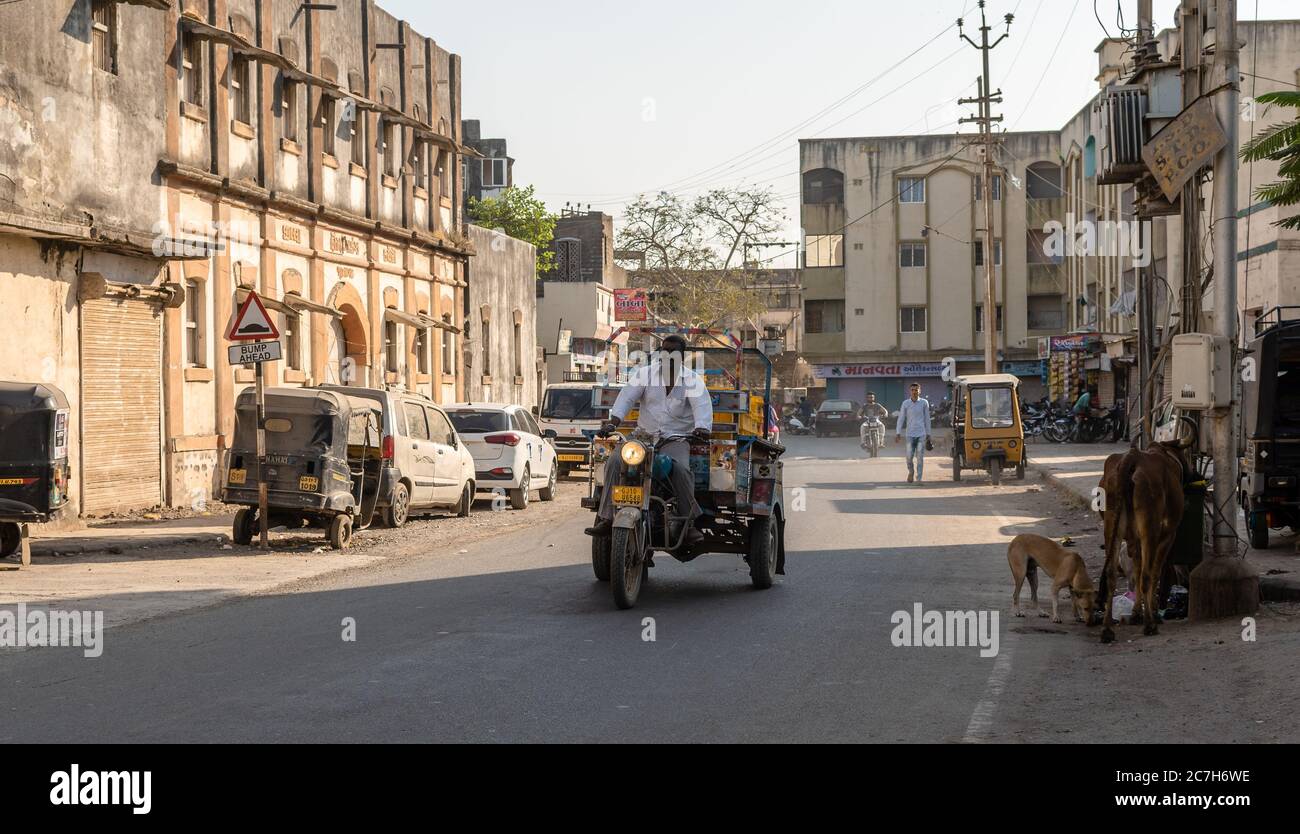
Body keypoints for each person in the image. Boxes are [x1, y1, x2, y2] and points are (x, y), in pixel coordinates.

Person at [584, 334, 711, 546]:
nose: (667, 355)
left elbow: (702, 406)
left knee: (682, 470)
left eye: (673, 352)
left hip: (675, 439)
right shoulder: (645, 374)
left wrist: (702, 428)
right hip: (643, 437)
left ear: (682, 356)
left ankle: (688, 525)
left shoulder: (692, 380)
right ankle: (606, 518)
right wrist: (612, 423)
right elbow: (626, 398)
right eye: (664, 351)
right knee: (615, 460)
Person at [895, 383, 932, 483]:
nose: (914, 392)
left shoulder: (924, 402)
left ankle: (919, 478)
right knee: (909, 457)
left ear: (920, 391)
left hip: (921, 434)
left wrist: (929, 433)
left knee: (920, 457)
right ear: (910, 391)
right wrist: (898, 432)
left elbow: (927, 419)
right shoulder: (905, 403)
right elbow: (901, 418)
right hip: (910, 434)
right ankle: (911, 472)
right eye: (912, 390)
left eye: (916, 390)